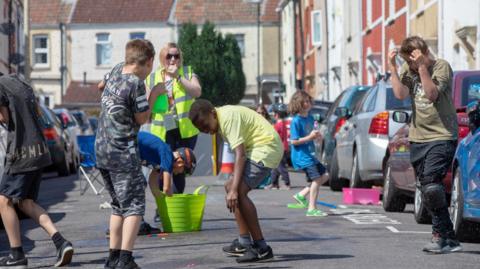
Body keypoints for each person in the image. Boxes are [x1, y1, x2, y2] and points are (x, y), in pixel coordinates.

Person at [389, 36, 462, 254]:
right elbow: (400, 93)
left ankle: (439, 236)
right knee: (427, 188)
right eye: (408, 61)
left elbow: (432, 95)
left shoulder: (441, 66)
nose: (410, 65)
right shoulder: (408, 69)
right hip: (418, 137)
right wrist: (393, 67)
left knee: (431, 183)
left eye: (413, 60)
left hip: (442, 135)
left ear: (424, 53)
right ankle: (449, 237)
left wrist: (422, 68)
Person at [189, 99, 282, 263]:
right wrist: (231, 187)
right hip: (258, 149)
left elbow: (240, 154)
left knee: (237, 191)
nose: (205, 131)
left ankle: (262, 247)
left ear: (212, 113)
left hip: (266, 148)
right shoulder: (221, 118)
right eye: (200, 129)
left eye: (205, 125)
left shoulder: (228, 119)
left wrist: (234, 190)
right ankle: (244, 242)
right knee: (230, 186)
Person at [95, 39, 160, 269]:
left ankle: (112, 258)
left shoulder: (115, 69)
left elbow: (100, 87)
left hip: (101, 149)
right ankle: (125, 259)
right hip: (122, 151)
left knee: (117, 205)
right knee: (134, 206)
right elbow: (142, 118)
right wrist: (155, 94)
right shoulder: (136, 83)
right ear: (148, 61)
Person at [0, 74, 74, 268]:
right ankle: (61, 242)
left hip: (21, 151)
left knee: (3, 201)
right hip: (39, 149)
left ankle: (16, 255)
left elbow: (4, 117)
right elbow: (37, 113)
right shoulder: (19, 80)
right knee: (25, 203)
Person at [145, 42, 201, 195]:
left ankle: (176, 204)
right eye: (169, 56)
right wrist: (155, 93)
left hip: (186, 130)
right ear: (163, 58)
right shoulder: (152, 78)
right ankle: (163, 206)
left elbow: (197, 92)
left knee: (179, 166)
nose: (173, 59)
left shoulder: (188, 73)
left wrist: (179, 77)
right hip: (163, 129)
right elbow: (146, 108)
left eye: (176, 56)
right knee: (164, 166)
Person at [288, 91, 329, 217]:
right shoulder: (296, 121)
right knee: (316, 179)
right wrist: (310, 137)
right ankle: (312, 208)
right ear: (298, 104)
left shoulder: (310, 118)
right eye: (304, 101)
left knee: (325, 175)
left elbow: (313, 135)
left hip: (310, 155)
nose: (308, 104)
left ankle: (301, 195)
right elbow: (294, 141)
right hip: (302, 156)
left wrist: (317, 137)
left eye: (308, 101)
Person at [138, 131, 197, 200]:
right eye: (183, 171)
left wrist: (159, 199)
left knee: (137, 184)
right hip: (127, 145)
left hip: (128, 148)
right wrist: (173, 205)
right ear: (180, 162)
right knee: (138, 184)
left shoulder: (161, 159)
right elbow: (166, 188)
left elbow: (152, 182)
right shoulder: (168, 155)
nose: (178, 173)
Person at [267, 103, 291, 190]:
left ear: (276, 115)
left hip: (279, 148)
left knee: (281, 166)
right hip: (283, 147)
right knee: (275, 166)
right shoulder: (283, 124)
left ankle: (286, 183)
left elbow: (274, 137)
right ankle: (274, 183)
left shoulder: (277, 125)